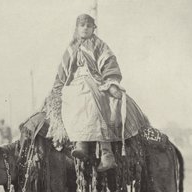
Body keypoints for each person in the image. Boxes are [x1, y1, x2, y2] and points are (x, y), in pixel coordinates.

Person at [46, 13, 149, 171]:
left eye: (89, 26)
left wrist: (111, 83)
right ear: (77, 28)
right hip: (74, 83)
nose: (85, 28)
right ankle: (80, 144)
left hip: (95, 80)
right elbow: (62, 71)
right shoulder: (70, 48)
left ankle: (106, 153)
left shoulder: (99, 45)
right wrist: (57, 88)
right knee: (70, 98)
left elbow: (109, 62)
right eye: (82, 25)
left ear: (93, 28)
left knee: (95, 98)